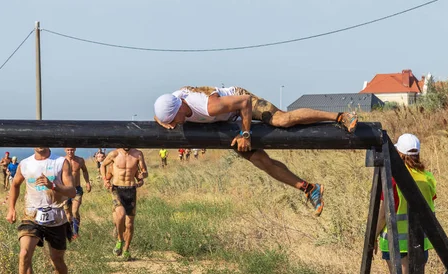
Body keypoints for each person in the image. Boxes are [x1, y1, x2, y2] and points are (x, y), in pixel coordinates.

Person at [153, 86, 358, 215]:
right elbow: (159, 116)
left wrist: (245, 133)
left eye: (173, 121)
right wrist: (163, 123)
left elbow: (243, 103)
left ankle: (340, 117)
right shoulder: (170, 104)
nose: (173, 126)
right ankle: (309, 188)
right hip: (226, 123)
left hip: (240, 103)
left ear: (180, 108)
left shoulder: (208, 106)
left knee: (281, 120)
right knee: (260, 160)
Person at [375, 133, 438, 274]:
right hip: (422, 241)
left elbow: (384, 214)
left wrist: (373, 235)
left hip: (397, 242)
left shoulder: (394, 178)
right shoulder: (427, 177)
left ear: (399, 154)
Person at [5, 147, 76, 274]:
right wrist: (11, 208)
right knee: (24, 253)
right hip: (32, 216)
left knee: (57, 260)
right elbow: (15, 185)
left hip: (57, 218)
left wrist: (53, 185)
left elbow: (72, 191)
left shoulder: (60, 162)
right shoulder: (25, 164)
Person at [100, 148, 148, 261]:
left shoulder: (138, 154)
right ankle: (120, 239)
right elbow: (103, 165)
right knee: (120, 215)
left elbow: (144, 172)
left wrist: (142, 178)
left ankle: (126, 250)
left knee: (129, 224)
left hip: (131, 190)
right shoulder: (114, 154)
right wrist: (105, 181)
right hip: (117, 189)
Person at [64, 148, 92, 239]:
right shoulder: (62, 161)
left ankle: (76, 233)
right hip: (66, 190)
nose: (70, 152)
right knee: (68, 214)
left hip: (77, 189)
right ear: (65, 150)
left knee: (75, 211)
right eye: (68, 150)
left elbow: (84, 170)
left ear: (75, 149)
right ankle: (70, 232)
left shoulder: (80, 160)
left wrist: (87, 182)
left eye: (71, 150)